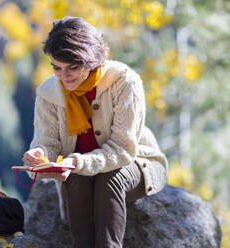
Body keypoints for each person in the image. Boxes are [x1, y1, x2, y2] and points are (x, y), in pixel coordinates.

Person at [22, 16, 168, 248]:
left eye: (73, 67)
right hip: (80, 167)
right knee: (77, 179)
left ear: (92, 59)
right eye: (57, 68)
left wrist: (76, 163)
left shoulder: (124, 83)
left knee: (109, 179)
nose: (64, 76)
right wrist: (39, 155)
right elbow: (48, 143)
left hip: (137, 161)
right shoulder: (49, 93)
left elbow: (123, 150)